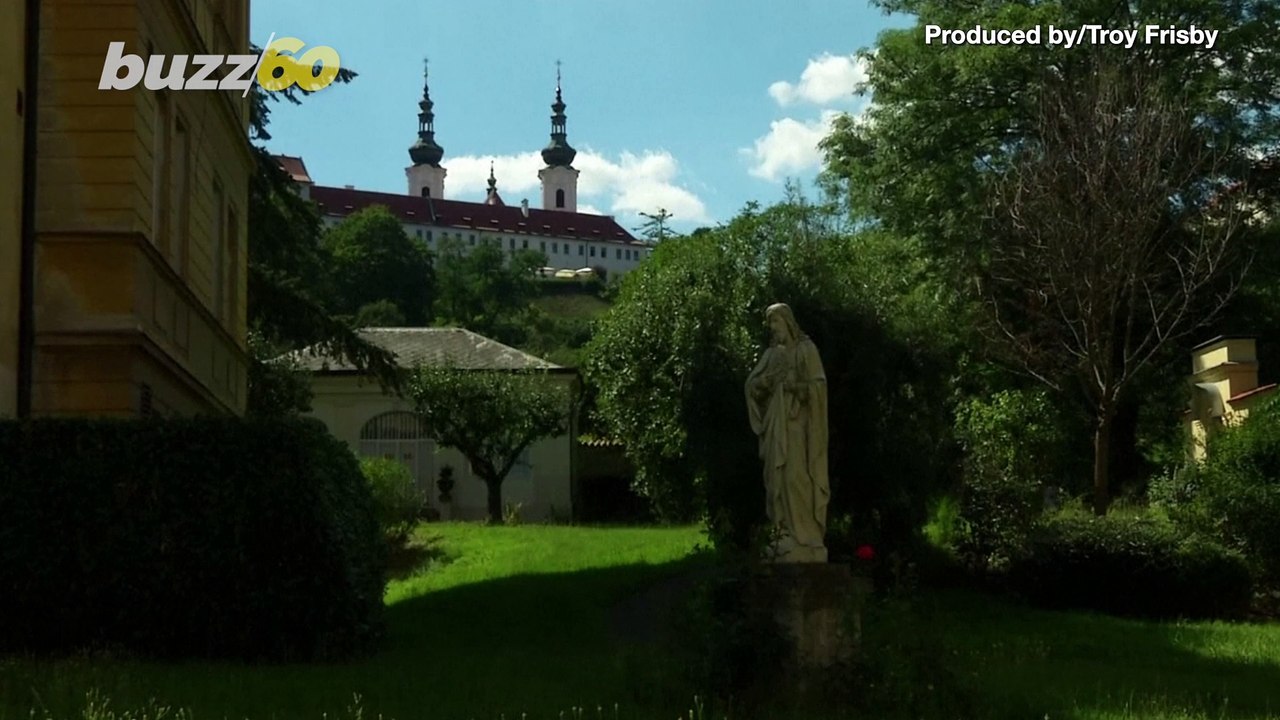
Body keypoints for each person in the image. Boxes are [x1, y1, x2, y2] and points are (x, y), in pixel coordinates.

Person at [744, 303, 830, 562]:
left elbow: (819, 387)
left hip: (796, 426)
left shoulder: (806, 350)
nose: (773, 328)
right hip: (774, 426)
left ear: (788, 322)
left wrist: (795, 387)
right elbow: (752, 386)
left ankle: (806, 537)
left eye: (776, 322)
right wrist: (765, 383)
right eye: (770, 324)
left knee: (796, 478)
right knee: (776, 482)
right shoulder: (771, 355)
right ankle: (782, 534)